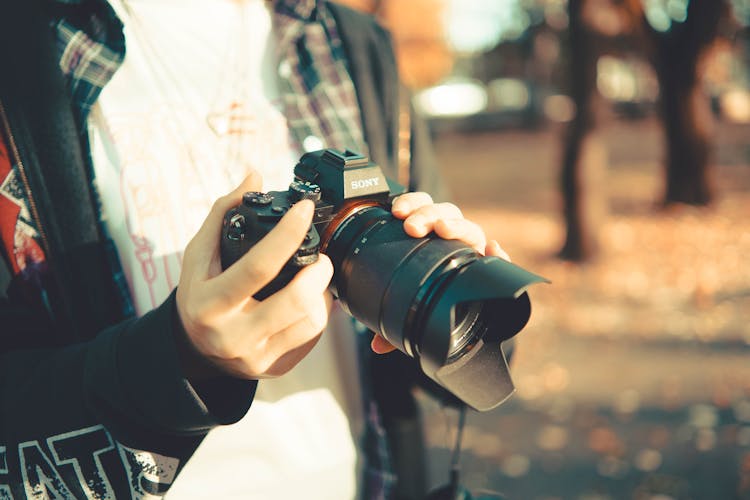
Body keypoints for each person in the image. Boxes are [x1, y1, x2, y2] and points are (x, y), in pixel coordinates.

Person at [0, 0, 509, 498]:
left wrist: (457, 286)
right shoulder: (20, 48)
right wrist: (181, 359)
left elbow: (464, 358)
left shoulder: (351, 41)